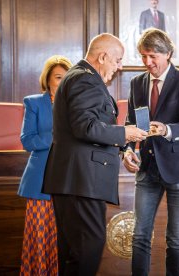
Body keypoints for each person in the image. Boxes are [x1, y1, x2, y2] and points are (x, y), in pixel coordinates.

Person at [42, 33, 148, 275]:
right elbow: (85, 127)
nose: (119, 67)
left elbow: (90, 124)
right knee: (86, 249)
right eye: (118, 60)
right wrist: (125, 134)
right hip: (81, 180)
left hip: (76, 179)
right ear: (103, 56)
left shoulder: (81, 77)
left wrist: (123, 149)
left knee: (75, 253)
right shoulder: (85, 80)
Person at [123, 28, 179, 276]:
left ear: (167, 53)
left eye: (152, 56)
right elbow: (130, 122)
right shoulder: (136, 83)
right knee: (139, 235)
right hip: (147, 169)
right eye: (143, 56)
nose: (147, 63)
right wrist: (127, 151)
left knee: (176, 238)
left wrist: (166, 129)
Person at [17, 54, 73, 275]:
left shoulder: (75, 105)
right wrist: (57, 136)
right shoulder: (34, 103)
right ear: (47, 79)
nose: (62, 82)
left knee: (66, 241)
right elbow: (27, 141)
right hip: (40, 180)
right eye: (59, 77)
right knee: (41, 240)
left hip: (70, 180)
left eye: (66, 78)